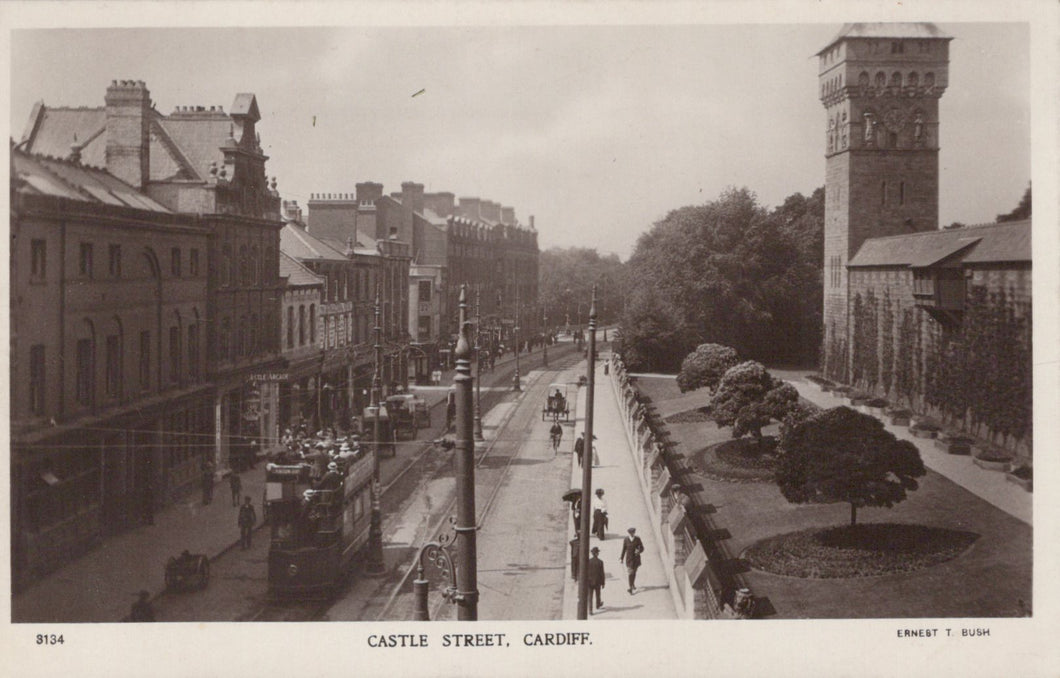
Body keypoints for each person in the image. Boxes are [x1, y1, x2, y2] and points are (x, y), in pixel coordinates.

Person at [619, 527, 645, 594]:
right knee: (630, 573)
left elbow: (642, 548)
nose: (632, 534)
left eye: (633, 533)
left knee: (634, 572)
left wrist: (639, 551)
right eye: (631, 533)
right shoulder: (626, 540)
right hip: (629, 559)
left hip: (636, 559)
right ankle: (630, 588)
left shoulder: (637, 539)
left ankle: (632, 584)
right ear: (629, 533)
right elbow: (624, 549)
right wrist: (621, 558)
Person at [587, 546, 606, 614]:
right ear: (597, 553)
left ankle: (590, 610)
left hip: (589, 582)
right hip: (597, 582)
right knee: (598, 594)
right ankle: (598, 605)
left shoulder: (588, 561)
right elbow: (602, 573)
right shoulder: (600, 562)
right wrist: (603, 583)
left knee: (590, 596)